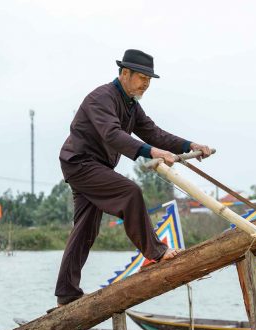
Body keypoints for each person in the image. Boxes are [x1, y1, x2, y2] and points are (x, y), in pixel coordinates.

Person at [54, 49, 212, 306]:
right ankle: (156, 253)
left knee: (85, 230)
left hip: (97, 167)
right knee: (130, 192)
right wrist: (152, 152)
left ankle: (66, 294)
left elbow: (154, 133)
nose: (146, 84)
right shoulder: (101, 98)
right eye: (142, 78)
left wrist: (189, 145)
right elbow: (112, 135)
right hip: (81, 163)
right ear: (124, 73)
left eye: (149, 80)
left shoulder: (131, 105)